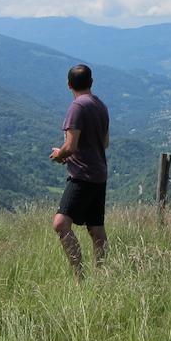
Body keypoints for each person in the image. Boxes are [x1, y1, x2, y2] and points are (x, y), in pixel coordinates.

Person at [50, 64, 110, 280]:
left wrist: (59, 154)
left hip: (82, 175)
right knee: (96, 228)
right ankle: (102, 275)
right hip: (99, 174)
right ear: (91, 83)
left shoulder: (77, 107)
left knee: (60, 224)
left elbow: (71, 145)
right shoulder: (100, 105)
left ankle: (79, 276)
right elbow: (105, 142)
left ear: (69, 85)